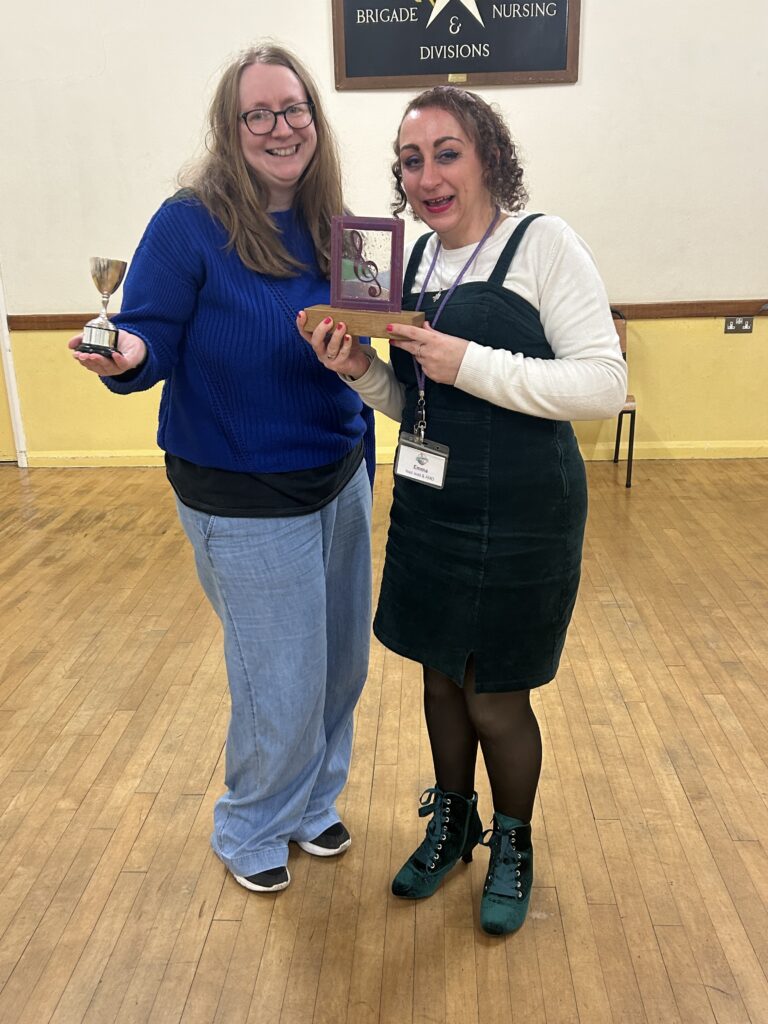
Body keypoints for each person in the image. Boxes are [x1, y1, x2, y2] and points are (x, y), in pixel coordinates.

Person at [299, 86, 626, 934]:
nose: (428, 176)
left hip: (525, 516)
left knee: (494, 698)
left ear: (488, 156)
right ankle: (455, 824)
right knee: (440, 682)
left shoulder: (542, 244)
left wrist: (467, 361)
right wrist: (356, 372)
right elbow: (412, 400)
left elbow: (602, 383)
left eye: (447, 153)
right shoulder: (408, 265)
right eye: (411, 160)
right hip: (431, 510)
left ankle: (513, 842)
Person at [69, 44, 375, 894]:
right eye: (259, 114)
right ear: (231, 128)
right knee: (281, 678)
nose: (280, 128)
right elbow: (149, 333)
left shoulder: (337, 224)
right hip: (239, 493)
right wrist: (126, 350)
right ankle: (250, 827)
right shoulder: (189, 222)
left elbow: (365, 338)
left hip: (339, 473)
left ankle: (312, 804)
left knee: (342, 665)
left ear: (315, 118)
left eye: (294, 110)